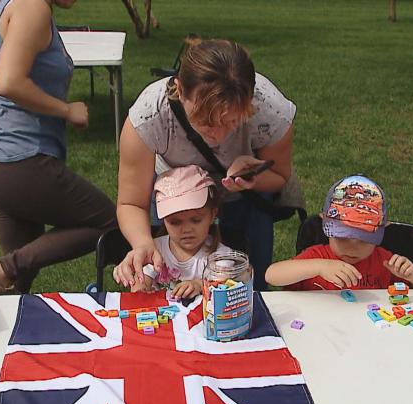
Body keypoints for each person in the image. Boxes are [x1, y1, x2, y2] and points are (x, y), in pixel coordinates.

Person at [114, 36, 298, 292]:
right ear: (179, 90)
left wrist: (252, 178)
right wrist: (143, 242)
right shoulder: (149, 117)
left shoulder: (270, 111)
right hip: (175, 197)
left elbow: (280, 175)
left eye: (232, 121)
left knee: (250, 286)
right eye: (205, 121)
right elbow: (131, 202)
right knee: (163, 281)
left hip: (246, 200)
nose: (219, 135)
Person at [0, 0, 117, 294]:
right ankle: (4, 268)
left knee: (16, 287)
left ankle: (7, 284)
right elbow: (8, 81)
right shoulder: (32, 7)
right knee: (108, 222)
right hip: (18, 161)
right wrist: (66, 110)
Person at [265, 175, 413, 290]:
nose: (353, 247)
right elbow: (272, 275)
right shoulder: (317, 256)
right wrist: (319, 267)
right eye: (343, 238)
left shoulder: (384, 262)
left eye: (364, 240)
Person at [123, 165, 233, 300]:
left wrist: (198, 285)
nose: (186, 229)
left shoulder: (220, 256)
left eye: (196, 220)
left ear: (212, 215)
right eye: (175, 222)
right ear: (163, 220)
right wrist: (140, 288)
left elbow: (224, 284)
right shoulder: (155, 250)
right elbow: (141, 281)